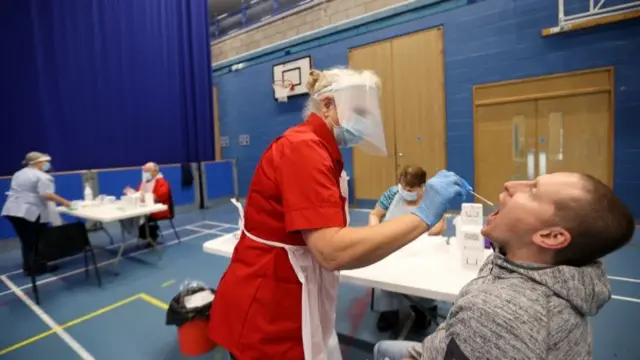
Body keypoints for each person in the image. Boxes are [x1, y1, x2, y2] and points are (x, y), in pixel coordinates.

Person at [208, 67, 470, 360]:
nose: (367, 121)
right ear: (328, 104)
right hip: (269, 304)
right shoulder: (302, 149)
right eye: (360, 110)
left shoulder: (321, 149)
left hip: (290, 290)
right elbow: (331, 251)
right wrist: (423, 214)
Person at [373, 172, 635, 360]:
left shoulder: (500, 317)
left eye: (532, 190)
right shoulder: (528, 264)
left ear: (551, 236)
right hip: (449, 342)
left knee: (381, 349)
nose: (510, 184)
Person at [368, 165, 446, 332]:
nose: (405, 191)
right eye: (403, 187)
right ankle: (389, 312)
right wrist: (375, 232)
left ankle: (423, 309)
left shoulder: (432, 198)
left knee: (424, 276)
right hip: (392, 245)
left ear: (422, 186)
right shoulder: (392, 194)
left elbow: (439, 226)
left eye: (410, 189)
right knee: (387, 274)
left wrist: (418, 231)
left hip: (422, 249)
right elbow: (375, 215)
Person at [1, 152, 72, 276]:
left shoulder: (19, 173)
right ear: (38, 162)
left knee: (26, 240)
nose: (46, 164)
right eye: (44, 162)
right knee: (35, 240)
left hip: (12, 210)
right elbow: (46, 194)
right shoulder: (43, 177)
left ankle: (28, 266)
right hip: (29, 212)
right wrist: (65, 202)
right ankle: (37, 268)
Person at [123, 162, 171, 242]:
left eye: (147, 171)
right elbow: (139, 193)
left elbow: (157, 198)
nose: (144, 173)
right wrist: (132, 192)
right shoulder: (143, 182)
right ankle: (142, 233)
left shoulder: (163, 183)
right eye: (144, 171)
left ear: (155, 172)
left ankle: (151, 234)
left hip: (157, 209)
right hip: (143, 207)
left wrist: (142, 195)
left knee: (139, 216)